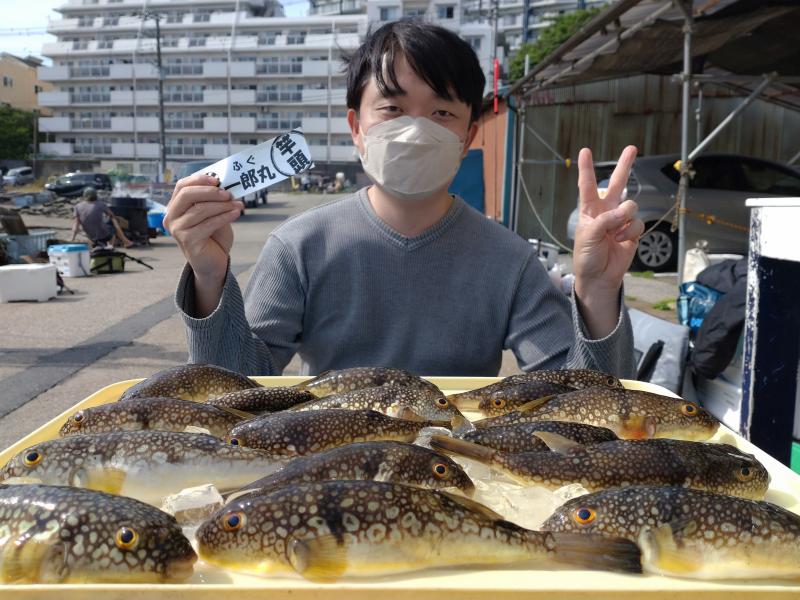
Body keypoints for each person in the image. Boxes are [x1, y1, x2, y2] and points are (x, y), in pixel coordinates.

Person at [164, 20, 644, 377]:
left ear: (469, 133)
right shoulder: (300, 245)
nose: (415, 131)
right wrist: (210, 276)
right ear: (356, 126)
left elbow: (579, 404)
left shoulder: (510, 260)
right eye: (392, 109)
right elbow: (236, 390)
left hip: (456, 479)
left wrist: (597, 292)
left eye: (441, 111)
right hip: (329, 478)